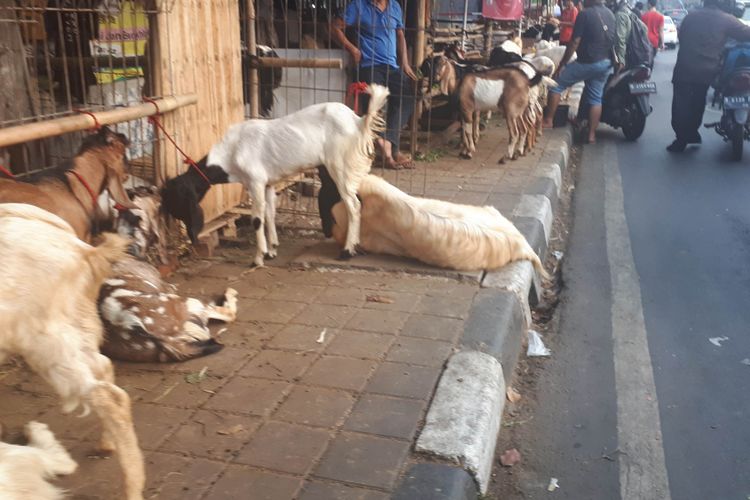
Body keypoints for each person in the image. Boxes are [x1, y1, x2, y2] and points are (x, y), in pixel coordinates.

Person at [332, 0, 417, 169]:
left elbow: (400, 35)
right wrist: (353, 49)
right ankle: (388, 153)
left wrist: (405, 63)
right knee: (375, 105)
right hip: (369, 65)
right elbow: (335, 27)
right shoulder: (358, 6)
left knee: (407, 97)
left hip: (392, 66)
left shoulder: (394, 6)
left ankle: (388, 143)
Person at [668, 0, 750, 152]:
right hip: (706, 71)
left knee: (680, 104)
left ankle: (681, 138)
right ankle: (691, 132)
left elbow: (681, 37)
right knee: (698, 102)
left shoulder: (690, 17)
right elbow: (746, 33)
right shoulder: (726, 19)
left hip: (684, 68)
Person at [542, 0, 616, 144]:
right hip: (606, 64)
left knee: (556, 84)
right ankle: (591, 135)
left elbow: (575, 41)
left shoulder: (584, 14)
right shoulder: (610, 14)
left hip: (588, 62)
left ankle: (548, 120)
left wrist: (562, 64)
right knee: (596, 98)